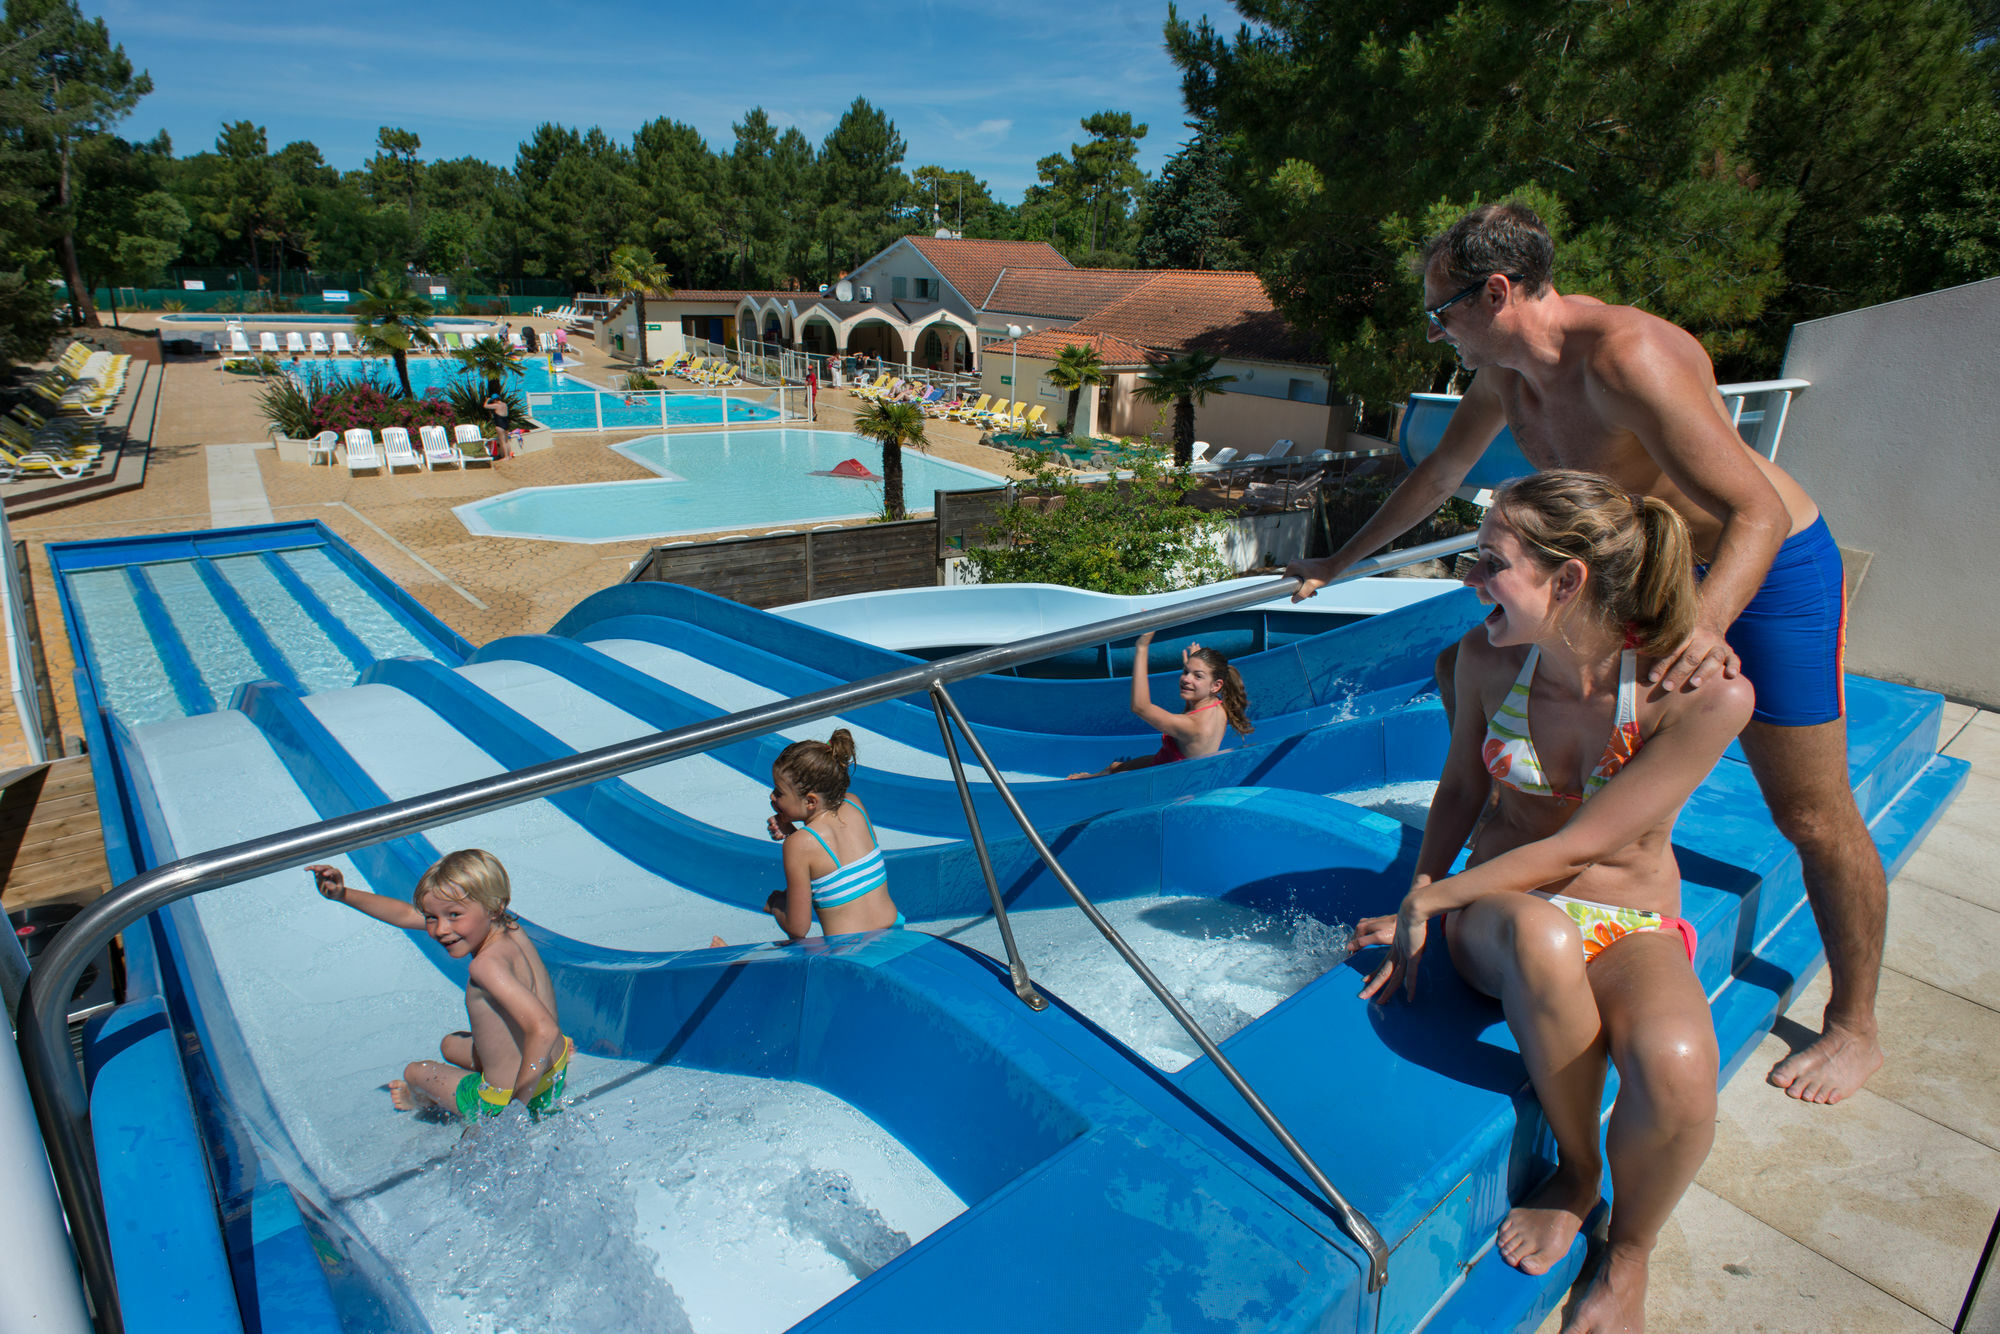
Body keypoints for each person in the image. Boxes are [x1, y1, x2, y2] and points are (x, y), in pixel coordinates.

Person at [1286, 201, 1884, 1104]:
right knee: (1461, 668)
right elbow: (1440, 475)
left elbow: (1753, 510)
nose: (1437, 329)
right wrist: (1339, 560)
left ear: (1495, 292)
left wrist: (1705, 627)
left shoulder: (1629, 357)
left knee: (1809, 812)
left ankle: (1855, 1023)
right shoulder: (1505, 378)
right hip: (1640, 572)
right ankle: (1541, 846)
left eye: (1439, 310)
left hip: (1763, 562)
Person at [1351, 470, 1751, 1334]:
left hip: (1628, 918)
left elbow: (1586, 844)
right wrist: (1421, 892)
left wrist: (1428, 904)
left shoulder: (1702, 693)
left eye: (1490, 561)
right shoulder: (1482, 661)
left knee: (1680, 1068)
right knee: (1539, 934)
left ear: (1567, 581)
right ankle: (1577, 1174)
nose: (1468, 580)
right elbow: (1460, 788)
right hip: (1508, 916)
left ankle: (1629, 1256)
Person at [308, 850, 571, 1124]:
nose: (441, 929)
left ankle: (417, 1099)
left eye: (454, 915)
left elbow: (543, 1029)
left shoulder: (486, 966)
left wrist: (515, 1109)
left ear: (492, 907)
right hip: (555, 1069)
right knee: (449, 1044)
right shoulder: (510, 928)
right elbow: (405, 914)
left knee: (415, 1072)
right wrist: (343, 894)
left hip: (506, 1100)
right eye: (432, 917)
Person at [762, 730, 901, 940]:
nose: (772, 796)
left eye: (779, 792)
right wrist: (792, 831)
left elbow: (798, 928)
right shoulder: (855, 805)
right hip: (896, 934)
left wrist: (776, 904)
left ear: (810, 801)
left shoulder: (798, 846)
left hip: (850, 953)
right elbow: (840, 859)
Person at [1068, 632, 1253, 779]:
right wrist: (1196, 669)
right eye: (1185, 671)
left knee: (1117, 776)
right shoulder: (1217, 705)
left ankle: (1089, 781)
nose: (1186, 679)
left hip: (1168, 781)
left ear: (1216, 685)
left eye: (1198, 676)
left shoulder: (1193, 726)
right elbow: (1198, 699)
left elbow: (1141, 707)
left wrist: (1142, 647)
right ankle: (1101, 774)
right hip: (1176, 766)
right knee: (1116, 767)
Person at [484, 385, 510, 460]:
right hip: (506, 423)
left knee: (502, 441)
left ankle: (506, 457)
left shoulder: (496, 405)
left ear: (494, 400)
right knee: (506, 441)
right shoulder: (505, 404)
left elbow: (485, 406)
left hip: (500, 424)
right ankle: (509, 456)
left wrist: (487, 400)